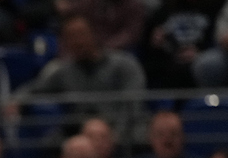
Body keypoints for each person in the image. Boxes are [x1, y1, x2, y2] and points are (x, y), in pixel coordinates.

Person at [10, 15, 147, 143]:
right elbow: (36, 87)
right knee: (50, 142)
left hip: (121, 132)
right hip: (81, 134)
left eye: (81, 34)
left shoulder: (124, 65)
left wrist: (115, 136)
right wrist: (17, 100)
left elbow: (132, 106)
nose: (77, 41)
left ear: (94, 34)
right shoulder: (64, 71)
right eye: (71, 37)